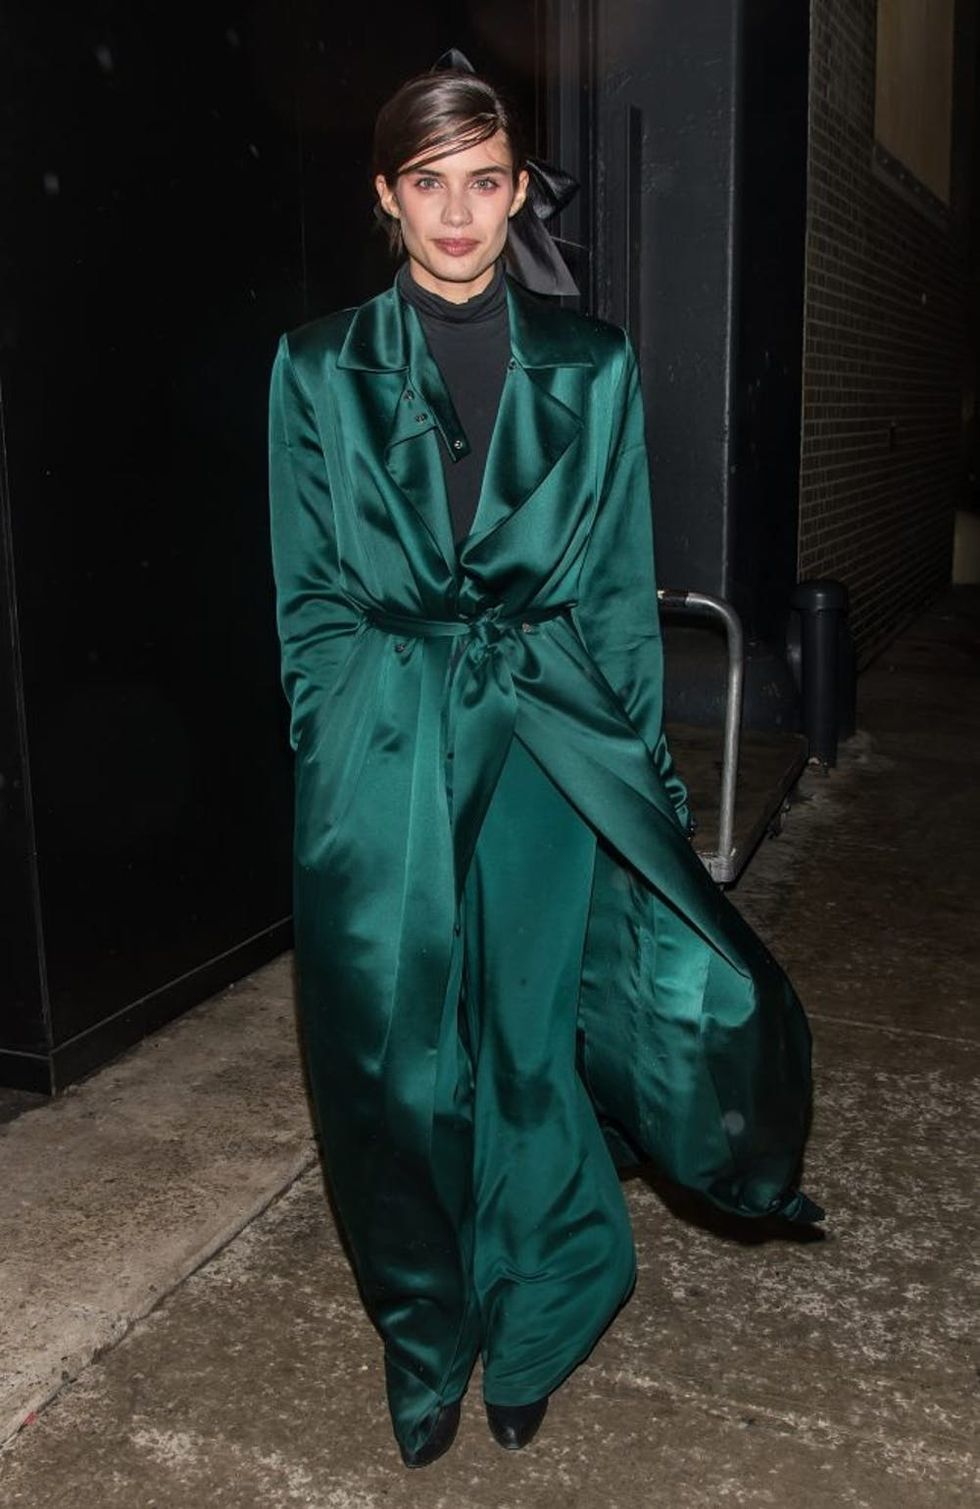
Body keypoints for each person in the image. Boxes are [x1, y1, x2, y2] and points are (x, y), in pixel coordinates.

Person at [268, 60, 822, 1471]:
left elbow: (612, 594)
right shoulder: (316, 366)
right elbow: (313, 602)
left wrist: (645, 786)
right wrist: (336, 755)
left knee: (525, 1051)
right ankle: (424, 1331)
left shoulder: (594, 364)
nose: (460, 213)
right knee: (397, 1067)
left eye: (488, 180)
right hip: (385, 745)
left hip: (543, 740)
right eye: (431, 183)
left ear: (518, 194)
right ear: (388, 196)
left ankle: (533, 1316)